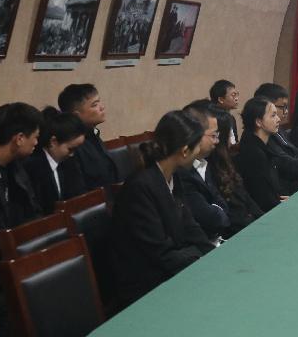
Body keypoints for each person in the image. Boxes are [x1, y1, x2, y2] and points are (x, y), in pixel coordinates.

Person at [111, 110, 215, 308]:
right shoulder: (140, 187)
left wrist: (213, 255)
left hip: (173, 269)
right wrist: (198, 257)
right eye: (196, 146)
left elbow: (190, 226)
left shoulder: (173, 175)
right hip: (146, 286)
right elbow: (159, 253)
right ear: (184, 151)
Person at [0, 103, 43, 334]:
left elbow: (33, 216)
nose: (37, 142)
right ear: (19, 138)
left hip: (13, 263)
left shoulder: (15, 167)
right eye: (35, 137)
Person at [177, 101, 230, 243]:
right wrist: (218, 211)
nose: (217, 141)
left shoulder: (204, 162)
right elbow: (209, 219)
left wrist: (218, 211)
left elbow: (223, 205)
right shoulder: (182, 172)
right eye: (213, 135)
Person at [206, 105, 262, 236]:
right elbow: (232, 216)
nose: (232, 138)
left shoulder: (227, 161)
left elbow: (246, 198)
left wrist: (264, 220)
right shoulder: (209, 167)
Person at [23, 107, 86, 214]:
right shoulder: (32, 166)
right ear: (53, 142)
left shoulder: (69, 162)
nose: (72, 154)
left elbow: (79, 196)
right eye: (70, 149)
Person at [58, 83, 117, 189]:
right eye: (94, 105)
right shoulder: (73, 147)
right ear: (76, 115)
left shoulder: (93, 134)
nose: (102, 107)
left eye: (99, 102)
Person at [210, 79, 240, 149]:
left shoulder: (231, 118)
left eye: (237, 94)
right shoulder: (214, 120)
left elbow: (234, 142)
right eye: (233, 95)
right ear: (221, 99)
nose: (236, 98)